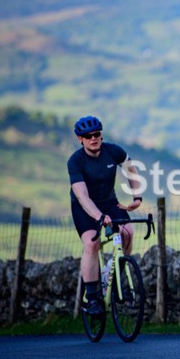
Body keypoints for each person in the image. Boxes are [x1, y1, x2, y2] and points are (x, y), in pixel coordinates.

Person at [68, 116, 142, 316]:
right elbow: (82, 196)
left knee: (128, 231)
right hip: (84, 207)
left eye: (97, 134)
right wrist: (99, 217)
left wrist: (137, 197)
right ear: (80, 139)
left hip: (110, 201)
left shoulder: (113, 151)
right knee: (92, 243)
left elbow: (131, 170)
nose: (93, 138)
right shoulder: (75, 161)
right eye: (88, 136)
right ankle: (92, 298)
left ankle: (115, 268)